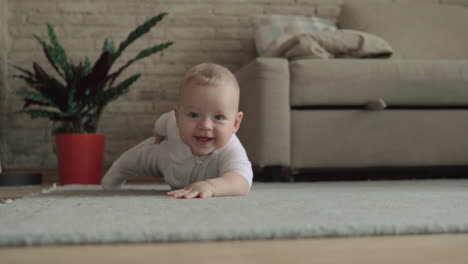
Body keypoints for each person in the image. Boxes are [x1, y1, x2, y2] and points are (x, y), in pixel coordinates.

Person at [101, 63, 253, 199]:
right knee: (131, 160)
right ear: (178, 117)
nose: (205, 125)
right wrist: (158, 134)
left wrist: (210, 186)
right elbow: (162, 123)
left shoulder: (231, 149)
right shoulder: (172, 123)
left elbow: (241, 181)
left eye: (218, 117)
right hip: (167, 156)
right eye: (194, 115)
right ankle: (109, 183)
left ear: (235, 123)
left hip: (197, 177)